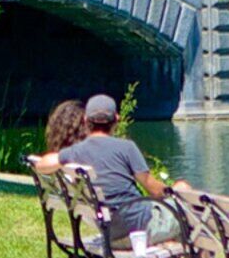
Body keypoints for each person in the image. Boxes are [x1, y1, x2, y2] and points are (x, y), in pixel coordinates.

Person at [55, 100, 165, 242]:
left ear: (86, 120)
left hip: (109, 232)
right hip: (139, 229)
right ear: (117, 120)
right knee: (188, 216)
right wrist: (175, 191)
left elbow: (44, 163)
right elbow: (155, 190)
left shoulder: (75, 152)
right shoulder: (127, 147)